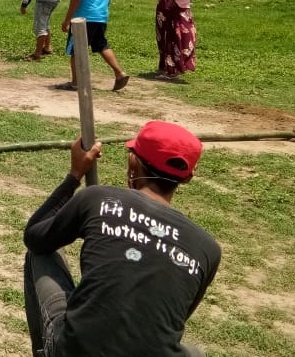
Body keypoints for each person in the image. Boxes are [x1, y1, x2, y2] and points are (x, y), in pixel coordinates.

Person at [23, 121, 220, 356]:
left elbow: (35, 236)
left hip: (76, 350)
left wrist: (75, 175)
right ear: (187, 178)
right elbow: (176, 318)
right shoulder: (207, 248)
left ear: (132, 161)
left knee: (43, 253)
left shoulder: (97, 198)